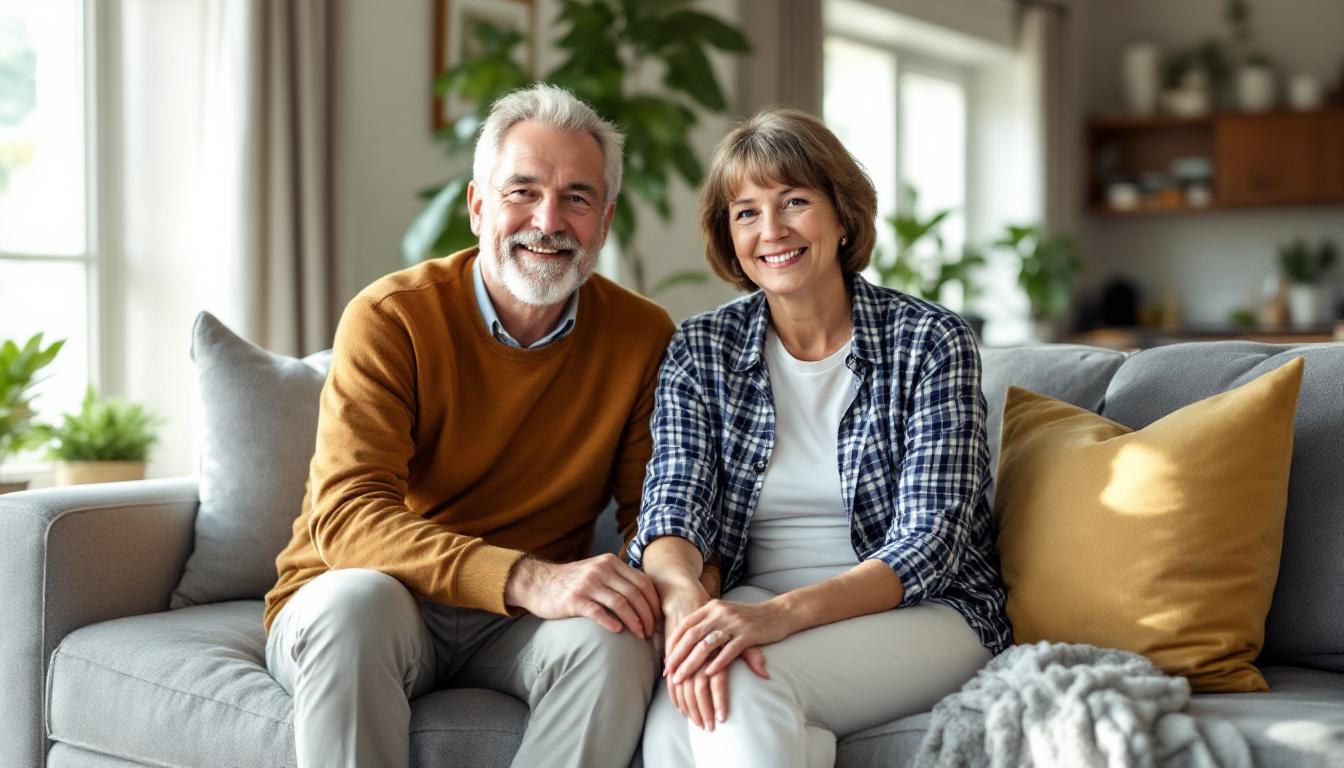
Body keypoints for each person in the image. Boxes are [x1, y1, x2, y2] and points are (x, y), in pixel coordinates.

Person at [262, 84, 690, 768]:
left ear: (604, 222)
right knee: (355, 608)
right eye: (522, 190)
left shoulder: (642, 336)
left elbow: (660, 512)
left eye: (577, 198)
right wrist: (528, 577)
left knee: (617, 637)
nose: (547, 220)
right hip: (377, 595)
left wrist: (681, 595)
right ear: (477, 206)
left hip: (522, 629)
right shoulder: (392, 316)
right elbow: (346, 518)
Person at [629, 108, 1010, 768]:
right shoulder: (701, 348)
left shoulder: (929, 342)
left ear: (842, 215)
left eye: (794, 202)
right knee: (675, 720)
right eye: (745, 212)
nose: (770, 231)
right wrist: (686, 600)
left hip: (925, 611)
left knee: (733, 688)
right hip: (751, 601)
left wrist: (779, 617)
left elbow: (933, 541)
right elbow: (672, 506)